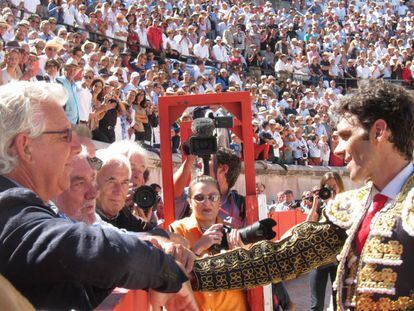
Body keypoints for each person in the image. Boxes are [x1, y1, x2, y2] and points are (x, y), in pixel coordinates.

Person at [191, 80, 414, 310]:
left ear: (379, 132)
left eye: (346, 136)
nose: (337, 149)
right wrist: (193, 273)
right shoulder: (353, 206)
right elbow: (283, 258)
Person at [0, 81, 196, 310]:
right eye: (64, 136)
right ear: (25, 147)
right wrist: (167, 273)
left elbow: (79, 278)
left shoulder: (28, 210)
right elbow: (87, 249)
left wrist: (150, 250)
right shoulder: (7, 207)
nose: (76, 146)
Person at [170, 175, 248, 311]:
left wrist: (240, 257)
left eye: (213, 197)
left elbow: (249, 280)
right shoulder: (177, 230)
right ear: (189, 202)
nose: (207, 203)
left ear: (220, 201)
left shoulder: (233, 232)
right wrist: (198, 247)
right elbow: (171, 276)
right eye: (199, 198)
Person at [174, 147, 246, 230]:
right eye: (199, 198)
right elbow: (171, 194)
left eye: (206, 159)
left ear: (223, 169)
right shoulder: (191, 193)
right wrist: (189, 159)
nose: (199, 165)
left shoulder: (241, 205)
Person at [306, 172, 345, 311]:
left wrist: (334, 203)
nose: (331, 190)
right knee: (316, 305)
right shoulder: (320, 205)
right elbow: (307, 226)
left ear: (340, 186)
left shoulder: (346, 203)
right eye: (327, 186)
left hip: (338, 259)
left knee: (338, 302)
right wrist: (315, 202)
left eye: (334, 186)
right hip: (319, 259)